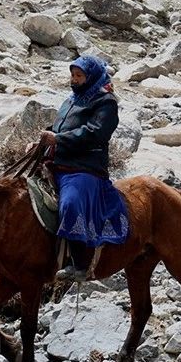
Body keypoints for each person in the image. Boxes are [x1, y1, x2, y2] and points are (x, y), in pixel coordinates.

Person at [33, 56, 129, 282]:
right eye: (73, 75)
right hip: (57, 161)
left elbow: (96, 133)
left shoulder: (106, 103)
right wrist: (43, 140)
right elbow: (60, 126)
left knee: (70, 203)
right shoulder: (71, 99)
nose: (74, 80)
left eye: (79, 76)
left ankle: (80, 264)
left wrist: (58, 139)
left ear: (92, 77)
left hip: (83, 167)